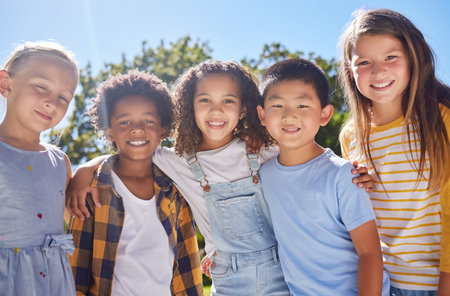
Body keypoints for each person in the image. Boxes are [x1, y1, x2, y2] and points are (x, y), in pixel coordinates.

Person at [66, 61, 373, 295]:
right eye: (205, 101)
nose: (216, 110)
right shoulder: (175, 160)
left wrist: (353, 170)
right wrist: (86, 169)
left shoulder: (264, 150)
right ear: (189, 105)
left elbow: (309, 159)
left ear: (243, 109)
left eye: (228, 101)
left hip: (283, 273)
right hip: (228, 280)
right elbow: (129, 151)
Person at [338, 8, 450, 295]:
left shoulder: (442, 120)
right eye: (363, 62)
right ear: (350, 70)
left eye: (391, 57)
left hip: (436, 283)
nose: (378, 70)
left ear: (413, 57)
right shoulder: (351, 136)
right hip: (383, 282)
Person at [257, 58, 390, 295]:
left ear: (324, 115)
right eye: (277, 106)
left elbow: (370, 253)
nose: (289, 116)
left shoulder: (343, 174)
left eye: (302, 106)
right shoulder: (263, 175)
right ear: (262, 115)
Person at [67, 70, 203, 295]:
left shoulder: (176, 186)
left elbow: (187, 257)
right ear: (109, 132)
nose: (137, 128)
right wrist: (84, 169)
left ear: (163, 130)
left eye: (148, 120)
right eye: (125, 121)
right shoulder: (93, 188)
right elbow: (78, 262)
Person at [0, 41, 79, 295]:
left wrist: (91, 166)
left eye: (64, 97)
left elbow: (72, 216)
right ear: (6, 84)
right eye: (41, 86)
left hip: (56, 282)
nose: (51, 102)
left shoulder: (60, 161)